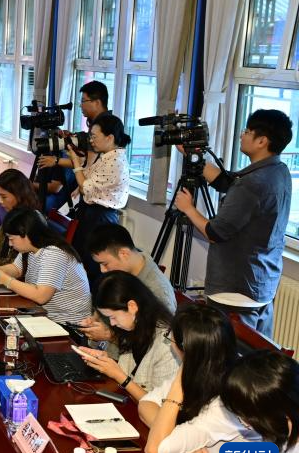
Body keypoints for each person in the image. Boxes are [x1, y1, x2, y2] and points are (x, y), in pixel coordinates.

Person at [173, 109, 293, 339]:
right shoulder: (278, 171)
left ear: (262, 141)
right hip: (262, 282)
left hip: (235, 292)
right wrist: (192, 154)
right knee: (255, 353)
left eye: (247, 131)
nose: (241, 135)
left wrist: (188, 209)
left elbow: (215, 233)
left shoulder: (252, 184)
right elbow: (229, 183)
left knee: (228, 355)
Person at [138, 305, 252, 453]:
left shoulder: (227, 401)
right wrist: (177, 437)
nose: (170, 344)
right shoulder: (209, 365)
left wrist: (178, 383)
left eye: (171, 338)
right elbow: (146, 403)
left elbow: (155, 448)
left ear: (187, 350)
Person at [74, 271, 178, 401]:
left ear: (132, 306)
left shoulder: (167, 344)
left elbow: (160, 405)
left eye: (113, 317)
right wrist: (106, 362)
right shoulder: (134, 326)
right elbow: (129, 371)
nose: (112, 323)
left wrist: (118, 375)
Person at [0, 208, 92, 324]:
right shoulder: (30, 247)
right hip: (43, 314)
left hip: (67, 323)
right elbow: (17, 269)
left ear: (26, 234)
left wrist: (6, 280)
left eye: (11, 238)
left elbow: (41, 296)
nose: (10, 244)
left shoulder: (54, 254)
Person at [67, 113, 131, 286]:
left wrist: (76, 162)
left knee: (93, 265)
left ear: (110, 138)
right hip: (93, 214)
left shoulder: (115, 161)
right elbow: (88, 178)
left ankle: (91, 300)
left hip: (100, 218)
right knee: (83, 262)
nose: (91, 141)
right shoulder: (108, 156)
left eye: (94, 136)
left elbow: (85, 187)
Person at [35, 80, 114, 213]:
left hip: (96, 201)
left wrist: (56, 161)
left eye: (83, 101)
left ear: (97, 102)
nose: (80, 105)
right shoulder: (107, 122)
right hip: (95, 194)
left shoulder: (102, 127)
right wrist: (72, 138)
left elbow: (88, 164)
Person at [86, 223, 176, 311]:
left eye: (105, 264)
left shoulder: (157, 292)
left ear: (124, 254)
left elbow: (162, 321)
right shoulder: (127, 268)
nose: (102, 270)